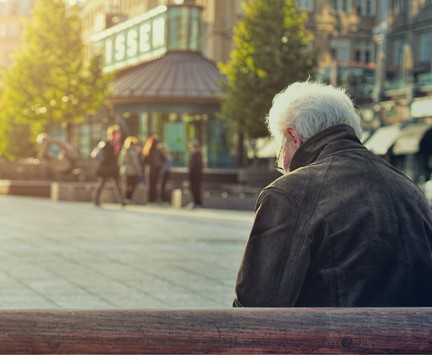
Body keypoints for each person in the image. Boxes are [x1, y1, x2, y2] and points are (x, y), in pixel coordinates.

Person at [234, 81, 432, 307]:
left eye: (280, 151)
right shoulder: (409, 189)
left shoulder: (290, 193)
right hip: (411, 341)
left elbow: (255, 308)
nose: (282, 164)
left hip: (330, 341)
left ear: (293, 136)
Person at [91, 124, 123, 207]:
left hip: (113, 167)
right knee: (102, 183)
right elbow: (96, 153)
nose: (119, 136)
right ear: (113, 134)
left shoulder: (118, 144)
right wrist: (103, 160)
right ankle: (96, 200)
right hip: (106, 167)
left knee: (118, 184)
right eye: (117, 134)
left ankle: (121, 201)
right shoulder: (106, 143)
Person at [118, 136, 142, 205]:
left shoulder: (124, 150)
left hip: (124, 170)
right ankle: (128, 199)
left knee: (127, 185)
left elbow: (120, 161)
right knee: (131, 185)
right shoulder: (132, 151)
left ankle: (125, 199)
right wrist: (138, 169)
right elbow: (135, 162)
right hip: (132, 171)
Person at [143, 135, 166, 203]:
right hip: (156, 170)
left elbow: (145, 161)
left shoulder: (148, 150)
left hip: (151, 170)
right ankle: (153, 198)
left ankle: (151, 199)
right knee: (154, 184)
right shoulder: (157, 151)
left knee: (151, 185)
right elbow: (164, 159)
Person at [188, 140, 203, 208]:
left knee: (196, 189)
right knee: (193, 189)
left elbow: (197, 167)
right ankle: (195, 202)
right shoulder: (194, 155)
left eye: (193, 147)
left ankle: (197, 203)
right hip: (193, 175)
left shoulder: (198, 155)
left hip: (196, 175)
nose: (192, 149)